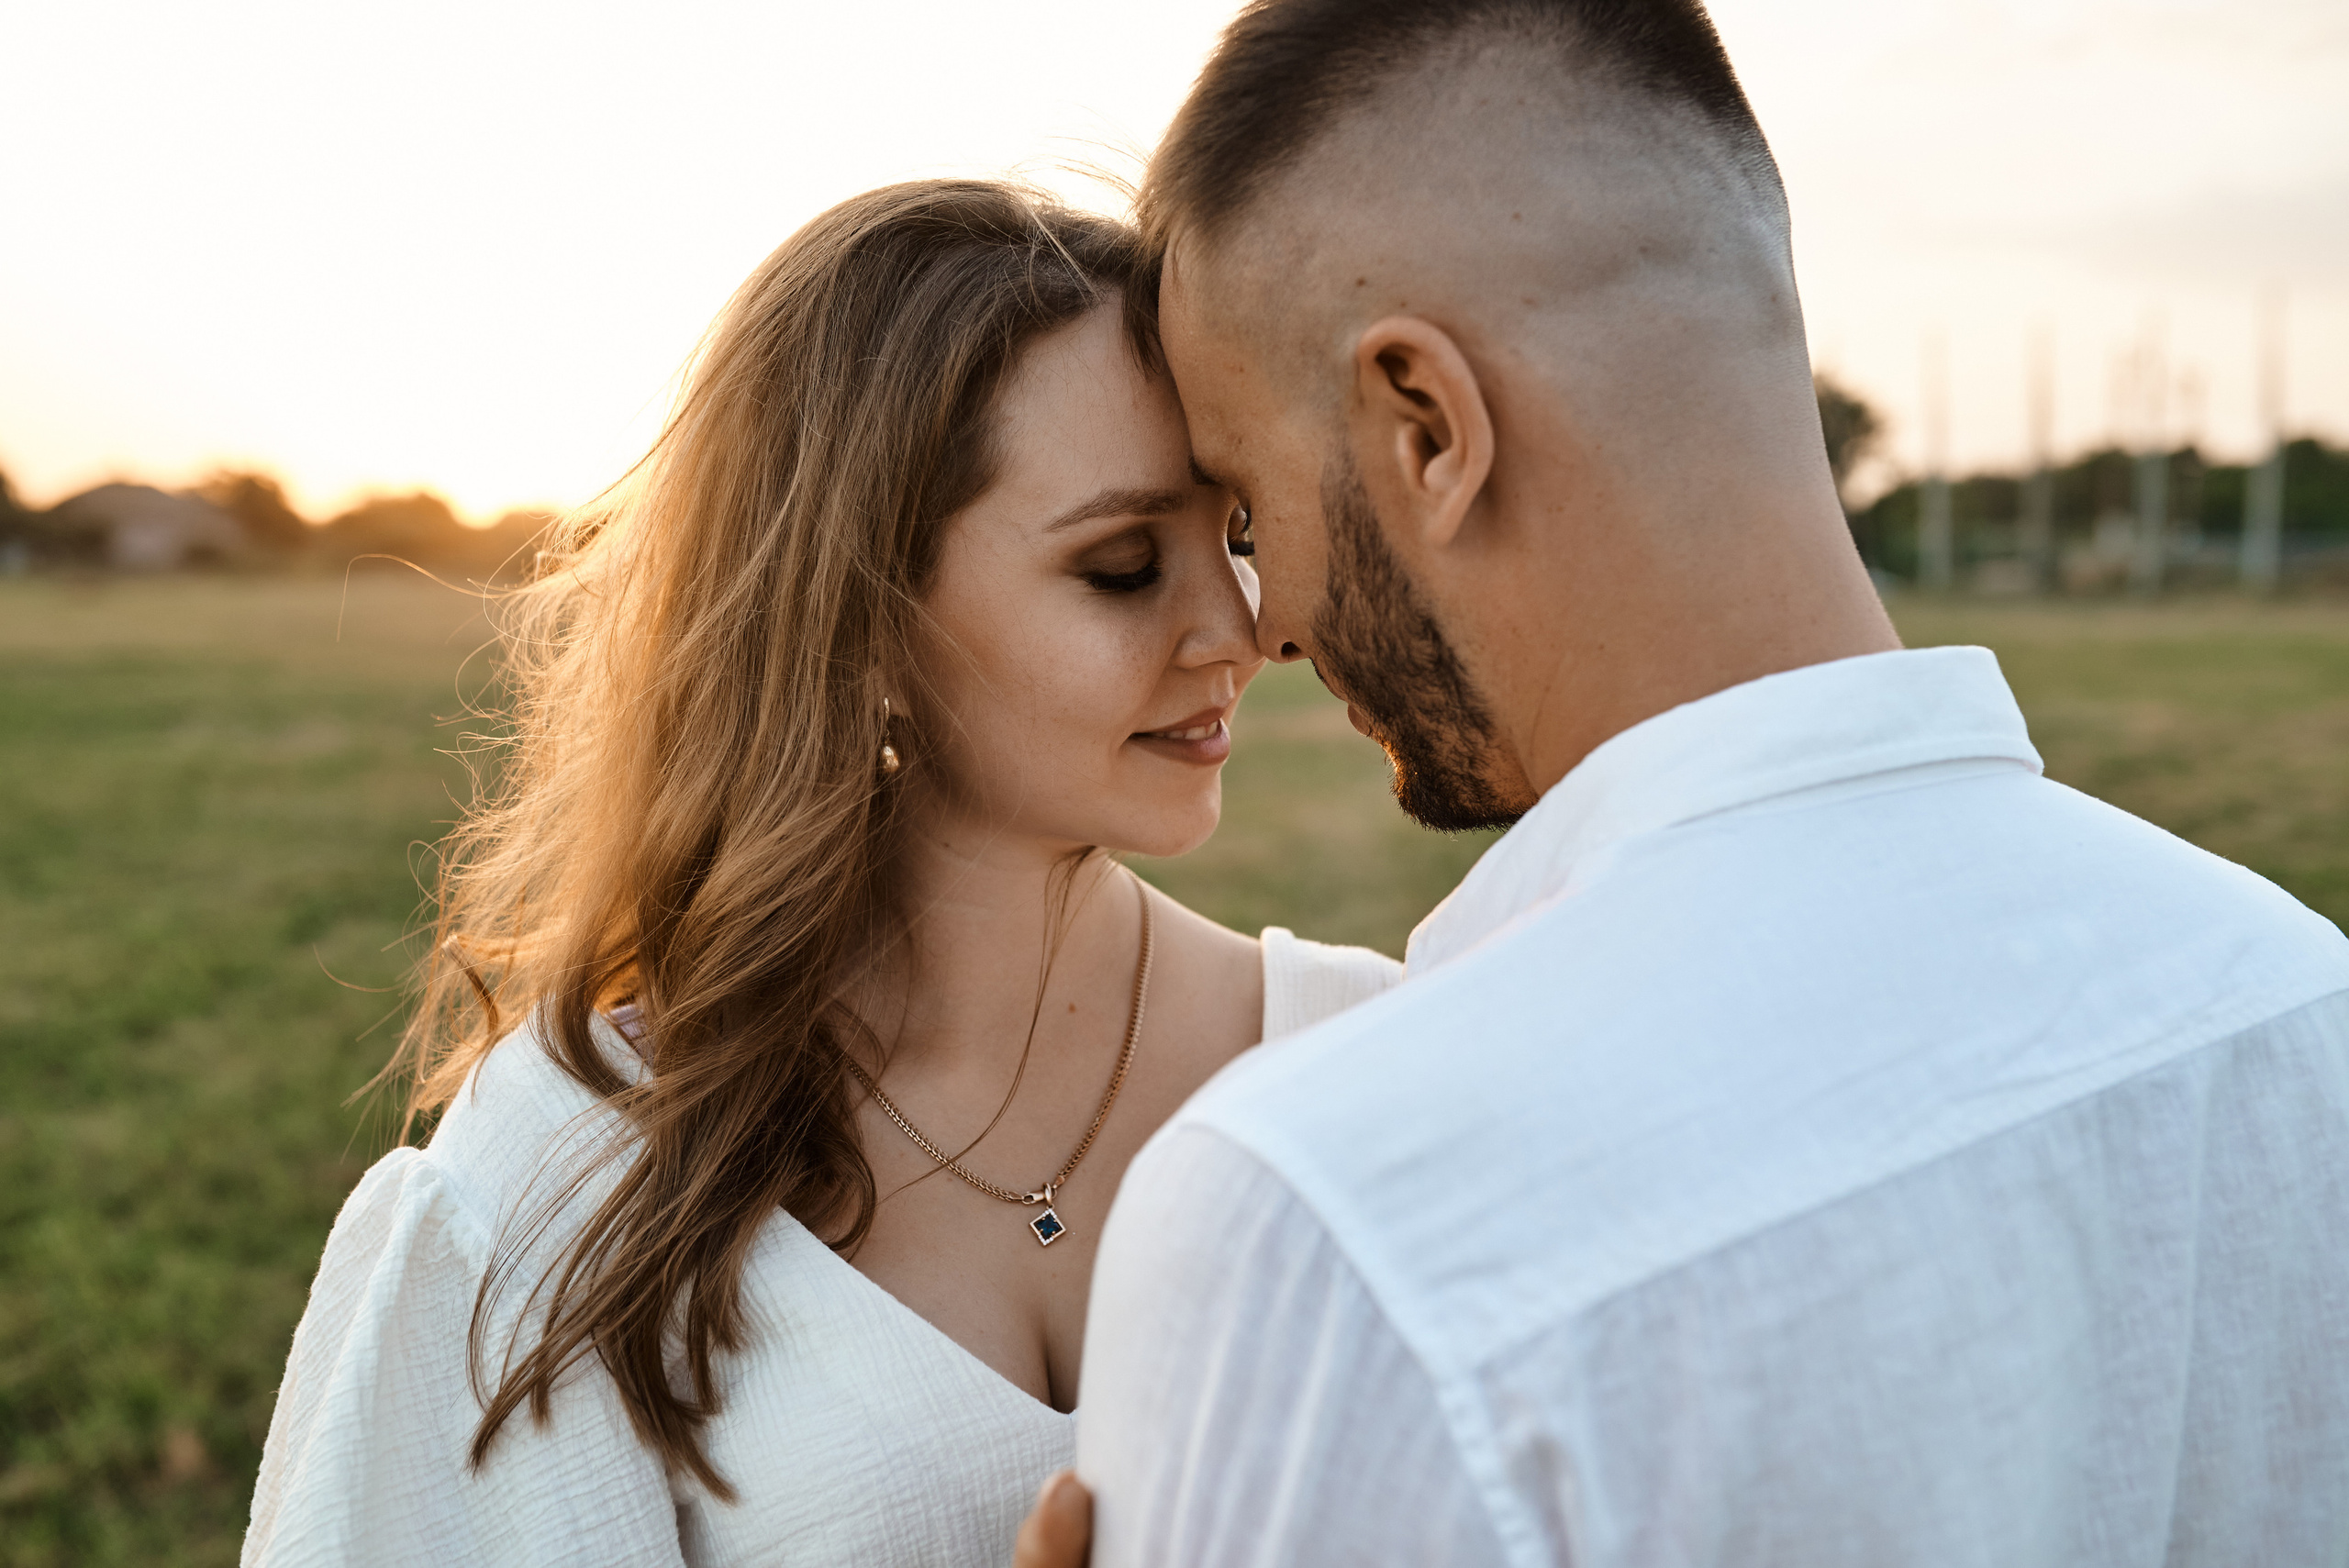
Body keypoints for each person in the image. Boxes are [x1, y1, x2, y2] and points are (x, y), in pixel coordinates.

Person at [1019, 1, 2349, 1562]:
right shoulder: (2299, 1007)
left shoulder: (1331, 1222)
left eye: (1250, 509)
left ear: (1428, 426)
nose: (1273, 627)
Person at [240, 180, 1401, 1567]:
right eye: (1121, 563)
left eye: (1239, 537)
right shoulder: (566, 1179)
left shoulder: (1377, 1062)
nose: (1237, 626)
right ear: (862, 618)